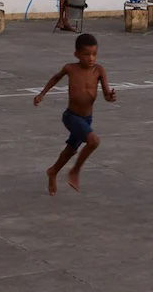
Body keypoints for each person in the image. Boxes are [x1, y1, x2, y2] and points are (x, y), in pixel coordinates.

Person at [33, 32, 116, 194]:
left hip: (87, 119)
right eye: (86, 54)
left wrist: (110, 96)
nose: (91, 58)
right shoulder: (70, 68)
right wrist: (42, 93)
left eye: (94, 54)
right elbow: (55, 78)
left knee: (71, 150)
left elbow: (106, 94)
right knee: (93, 141)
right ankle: (75, 171)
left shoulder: (99, 70)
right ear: (76, 54)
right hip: (71, 116)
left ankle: (53, 171)